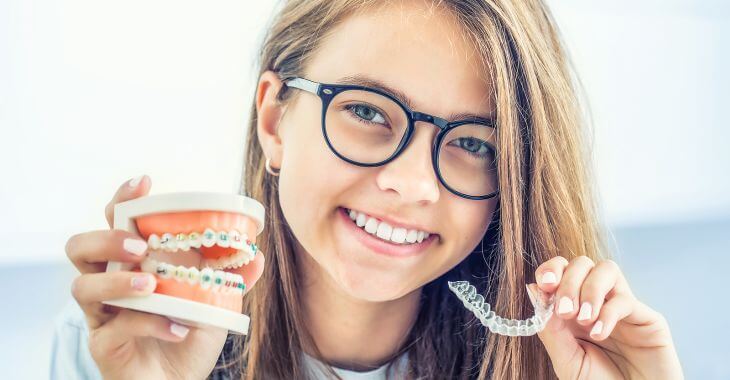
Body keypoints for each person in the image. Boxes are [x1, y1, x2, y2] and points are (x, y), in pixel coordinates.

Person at [55, 0, 684, 378]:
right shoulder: (123, 338)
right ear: (275, 121)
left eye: (473, 144)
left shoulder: (564, 363)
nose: (410, 185)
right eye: (367, 112)